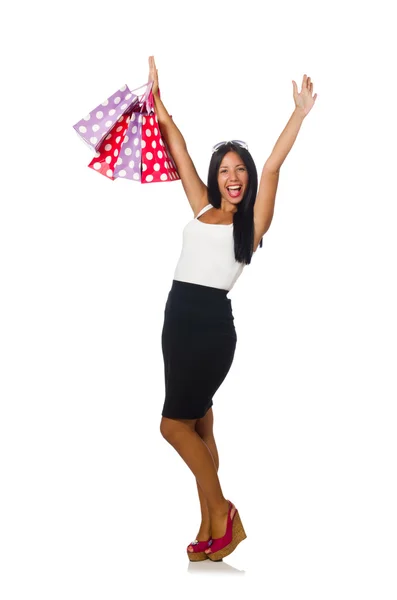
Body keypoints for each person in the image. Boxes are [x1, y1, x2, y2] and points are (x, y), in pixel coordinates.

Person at [149, 56, 317, 562]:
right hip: (176, 318)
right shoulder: (201, 207)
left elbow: (272, 165)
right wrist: (160, 105)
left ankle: (223, 513)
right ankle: (207, 526)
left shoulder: (253, 224)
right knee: (198, 426)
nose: (234, 177)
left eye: (238, 170)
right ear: (215, 178)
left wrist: (299, 115)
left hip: (209, 327)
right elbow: (177, 150)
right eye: (225, 171)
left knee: (171, 426)